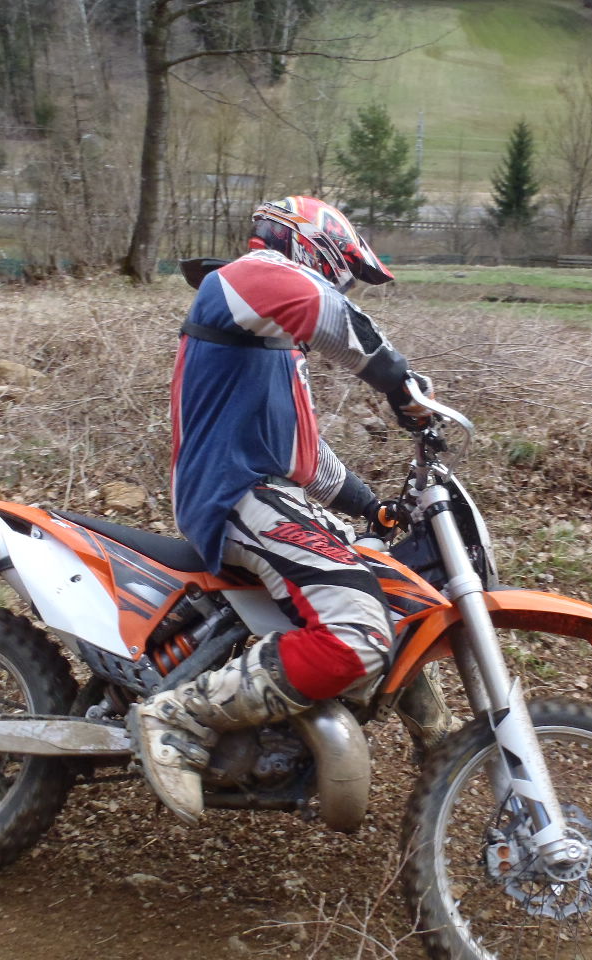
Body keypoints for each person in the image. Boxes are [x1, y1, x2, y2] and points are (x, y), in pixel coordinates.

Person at [127, 196, 452, 825]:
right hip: (234, 492)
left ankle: (441, 744)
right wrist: (399, 381)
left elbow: (305, 453)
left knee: (395, 589)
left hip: (269, 493)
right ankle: (180, 714)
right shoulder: (244, 279)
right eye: (344, 274)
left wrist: (372, 507)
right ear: (313, 249)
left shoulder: (272, 343)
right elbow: (325, 308)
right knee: (358, 633)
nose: (344, 287)